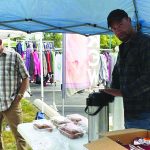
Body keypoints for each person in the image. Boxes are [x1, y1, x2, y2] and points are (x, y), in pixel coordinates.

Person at [103, 9, 150, 129]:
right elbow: (117, 75)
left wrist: (123, 92)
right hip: (129, 113)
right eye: (114, 29)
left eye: (120, 25)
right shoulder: (123, 48)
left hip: (145, 114)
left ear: (129, 20)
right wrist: (108, 92)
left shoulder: (146, 43)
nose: (118, 31)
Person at [0, 39, 29, 150]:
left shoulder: (14, 56)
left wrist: (19, 96)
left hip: (12, 103)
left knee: (20, 135)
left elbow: (25, 77)